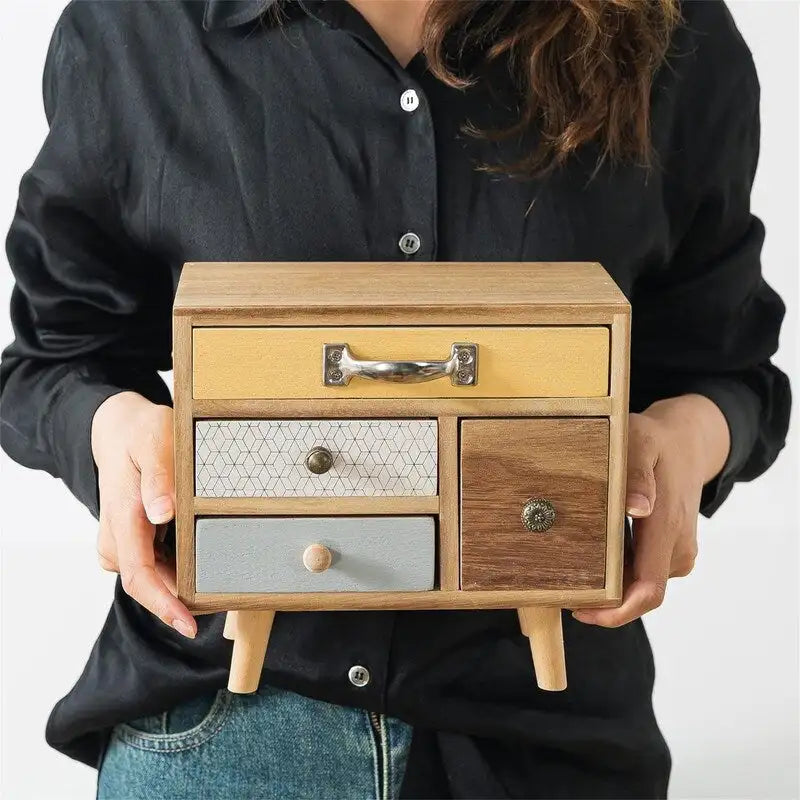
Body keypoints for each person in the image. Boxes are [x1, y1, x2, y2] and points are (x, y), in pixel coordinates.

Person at [0, 1, 791, 798]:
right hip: (224, 715)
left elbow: (727, 365)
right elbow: (56, 357)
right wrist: (112, 431)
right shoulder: (137, 27)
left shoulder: (671, 29)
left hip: (547, 731)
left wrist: (687, 440)